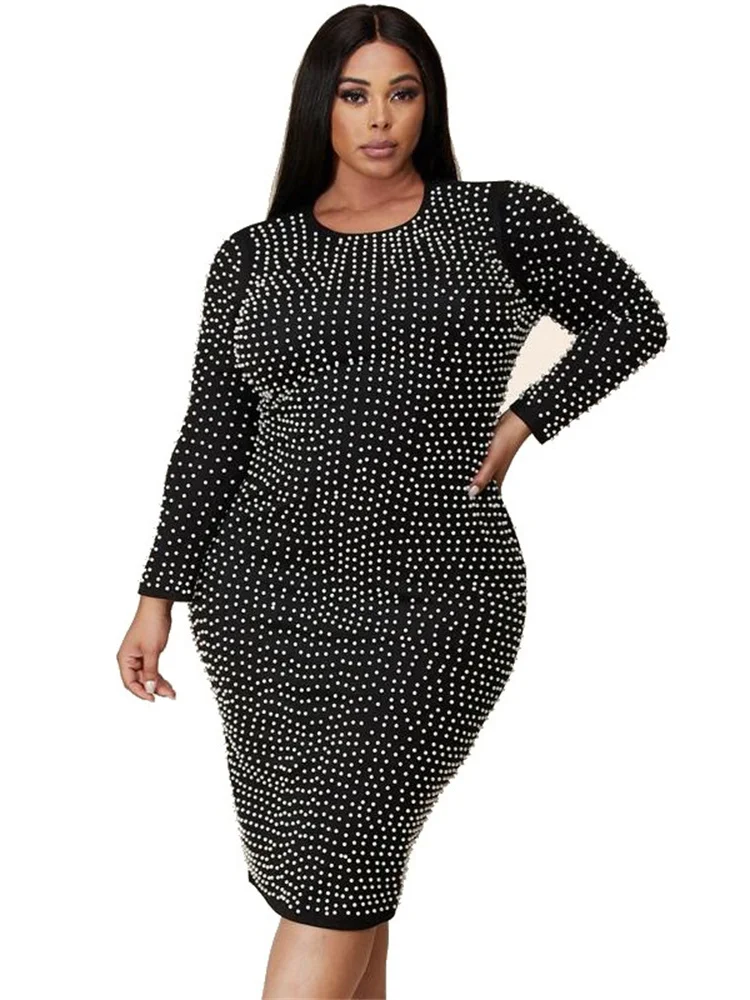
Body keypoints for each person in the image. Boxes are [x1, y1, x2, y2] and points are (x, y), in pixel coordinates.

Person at [117, 5, 669, 997]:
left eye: (403, 93)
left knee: (335, 874)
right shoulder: (253, 254)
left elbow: (634, 317)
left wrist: (523, 421)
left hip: (434, 589)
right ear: (319, 107)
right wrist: (157, 594)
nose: (380, 118)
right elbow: (213, 433)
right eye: (355, 94)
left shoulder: (499, 217)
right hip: (259, 598)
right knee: (343, 885)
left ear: (429, 103)